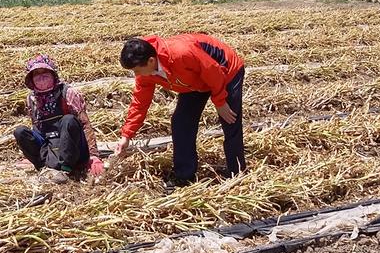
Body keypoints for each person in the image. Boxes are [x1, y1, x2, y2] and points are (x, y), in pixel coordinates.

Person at [113, 34, 246, 192]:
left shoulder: (181, 54)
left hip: (226, 71)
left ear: (151, 61)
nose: (136, 75)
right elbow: (139, 103)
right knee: (181, 122)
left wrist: (220, 101)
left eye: (137, 70)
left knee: (230, 120)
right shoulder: (146, 73)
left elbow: (213, 71)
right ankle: (184, 175)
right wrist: (126, 136)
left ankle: (237, 173)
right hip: (193, 80)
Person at [13, 54, 104, 183]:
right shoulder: (32, 98)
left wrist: (94, 156)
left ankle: (66, 170)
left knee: (68, 120)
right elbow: (36, 127)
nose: (41, 78)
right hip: (50, 145)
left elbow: (85, 124)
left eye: (45, 73)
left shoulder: (68, 93)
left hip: (73, 148)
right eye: (37, 74)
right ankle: (44, 167)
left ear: (53, 74)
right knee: (20, 132)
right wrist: (32, 154)